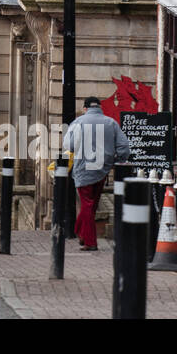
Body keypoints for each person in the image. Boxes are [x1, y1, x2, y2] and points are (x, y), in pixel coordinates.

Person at [61, 96, 130, 250]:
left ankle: (90, 242)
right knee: (91, 205)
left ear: (85, 108)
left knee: (86, 204)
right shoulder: (111, 122)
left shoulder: (78, 122)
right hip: (102, 170)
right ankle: (81, 232)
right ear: (100, 107)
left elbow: (69, 145)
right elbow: (124, 147)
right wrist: (117, 159)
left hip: (83, 168)